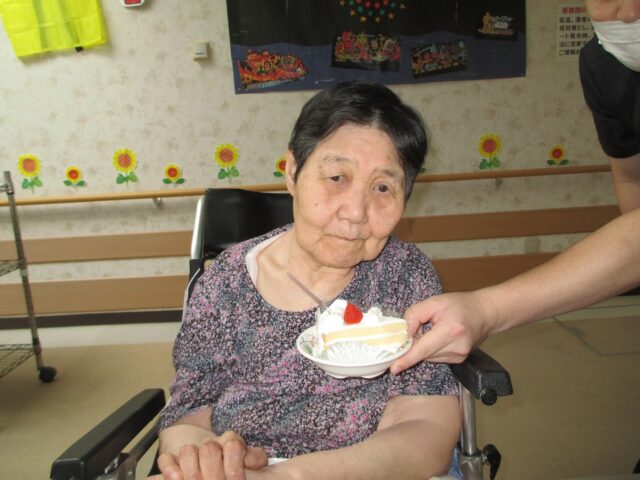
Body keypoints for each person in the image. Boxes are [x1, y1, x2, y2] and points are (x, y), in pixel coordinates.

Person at [153, 81, 461, 480]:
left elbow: (425, 429)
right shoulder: (227, 281)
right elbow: (188, 416)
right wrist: (206, 460)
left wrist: (290, 476)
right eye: (336, 177)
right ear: (292, 171)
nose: (355, 212)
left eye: (383, 187)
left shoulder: (405, 276)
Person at [391, 0, 640, 373]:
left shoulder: (410, 269)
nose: (629, 12)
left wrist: (487, 309)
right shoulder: (604, 65)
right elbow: (632, 182)